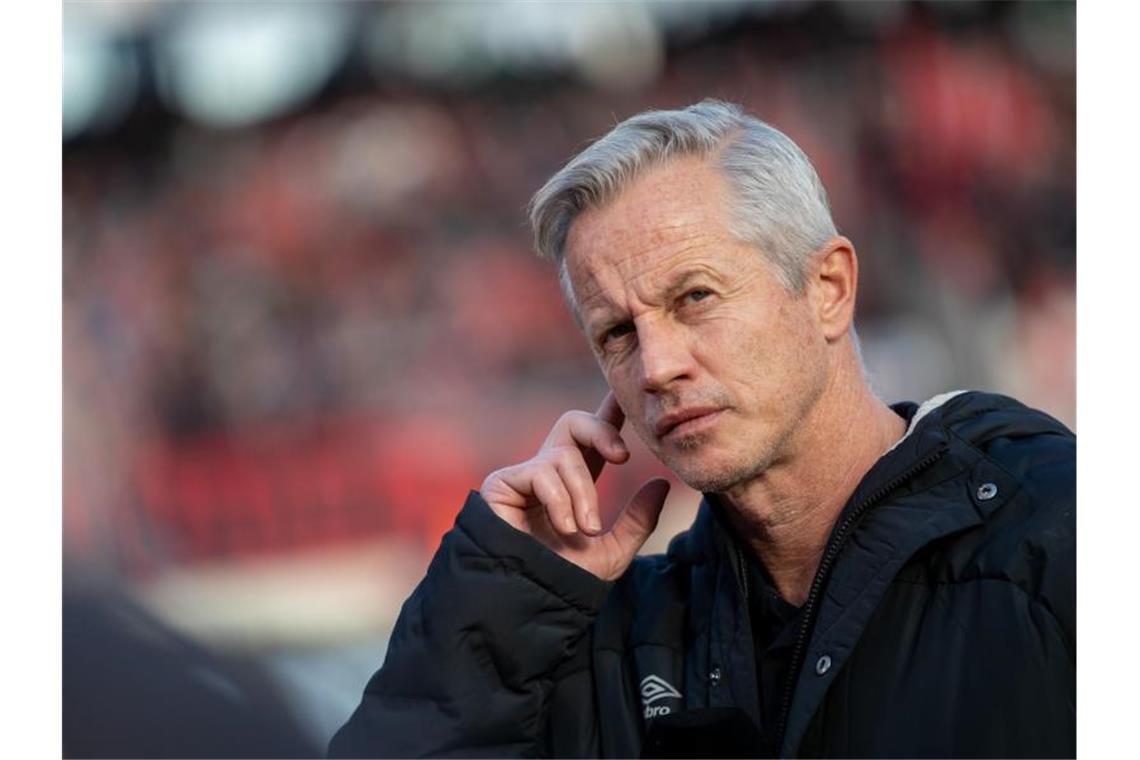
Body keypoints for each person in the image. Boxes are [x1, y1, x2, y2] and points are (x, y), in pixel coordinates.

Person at [329, 100, 1075, 758]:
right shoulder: (611, 644)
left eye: (694, 297)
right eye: (616, 332)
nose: (656, 365)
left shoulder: (1061, 531)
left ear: (827, 288)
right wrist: (502, 599)